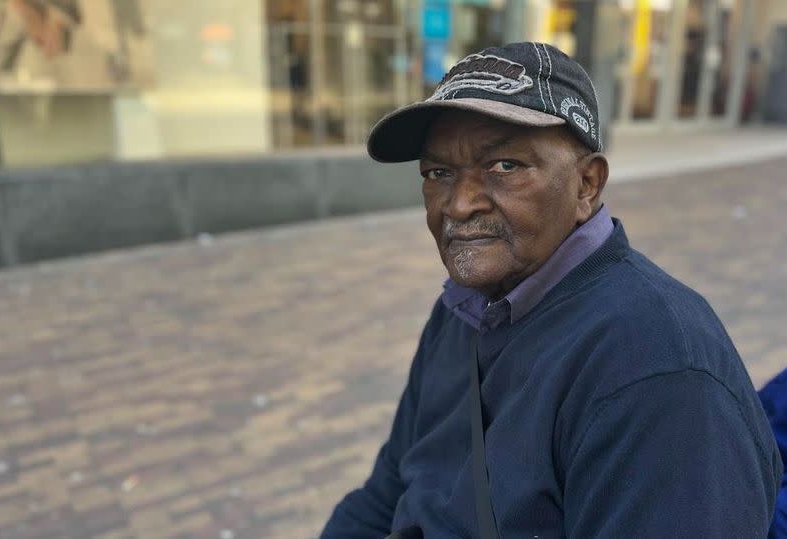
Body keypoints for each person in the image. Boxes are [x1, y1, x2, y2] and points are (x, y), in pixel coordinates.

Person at [320, 42, 782, 538]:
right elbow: (388, 490)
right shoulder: (462, 309)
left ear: (587, 185)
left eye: (505, 167)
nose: (457, 204)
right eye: (438, 174)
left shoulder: (658, 368)